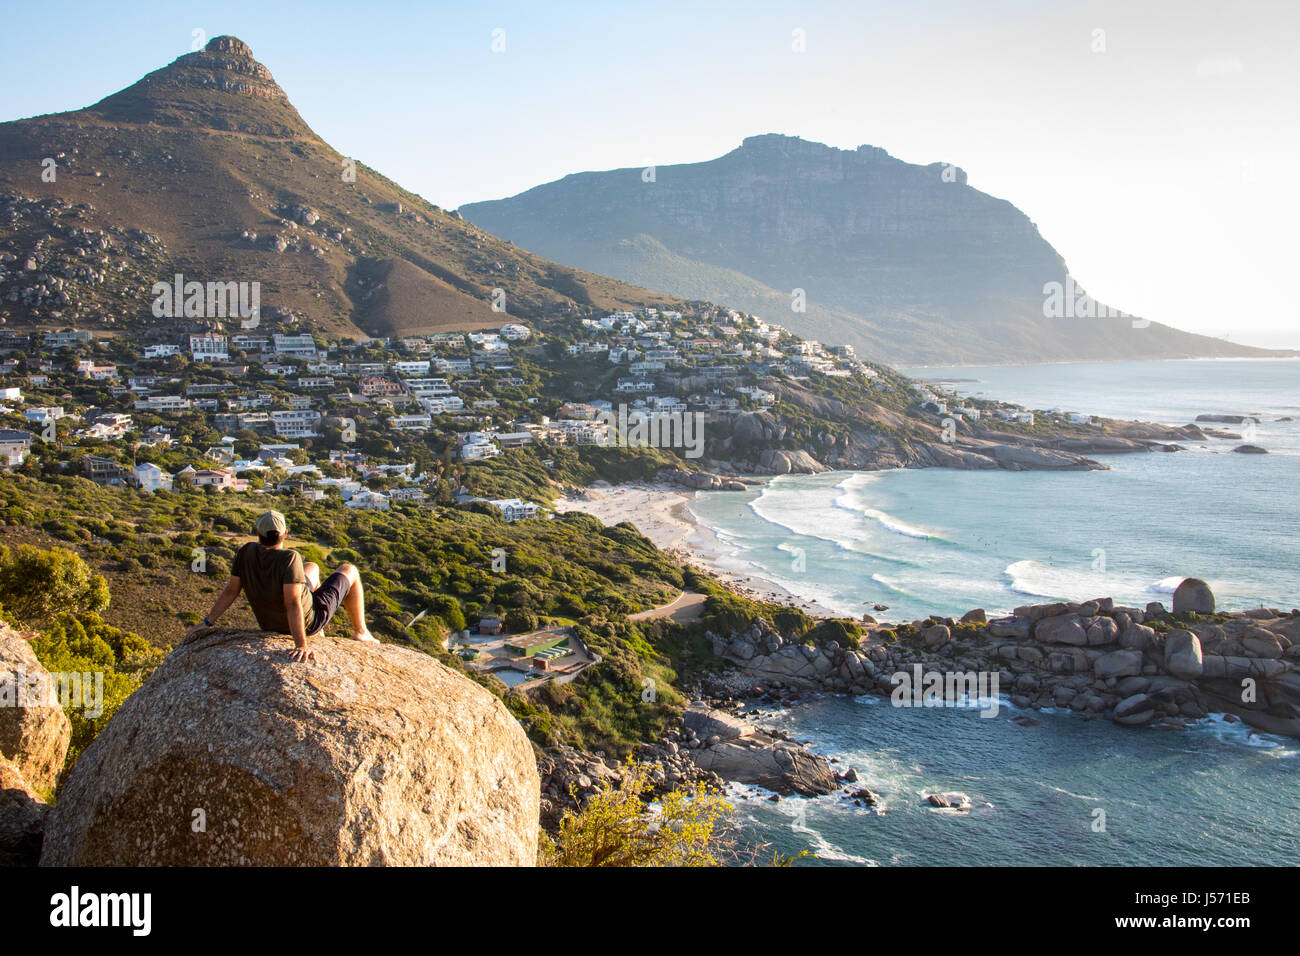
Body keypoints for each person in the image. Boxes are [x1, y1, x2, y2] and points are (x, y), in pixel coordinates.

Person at [194, 510, 377, 662]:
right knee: (349, 569)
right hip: (306, 624)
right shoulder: (289, 558)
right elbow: (292, 603)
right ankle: (360, 631)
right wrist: (301, 644)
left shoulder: (246, 552)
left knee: (311, 567)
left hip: (268, 623)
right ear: (285, 534)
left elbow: (231, 591)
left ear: (259, 533)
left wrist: (207, 622)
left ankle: (321, 632)